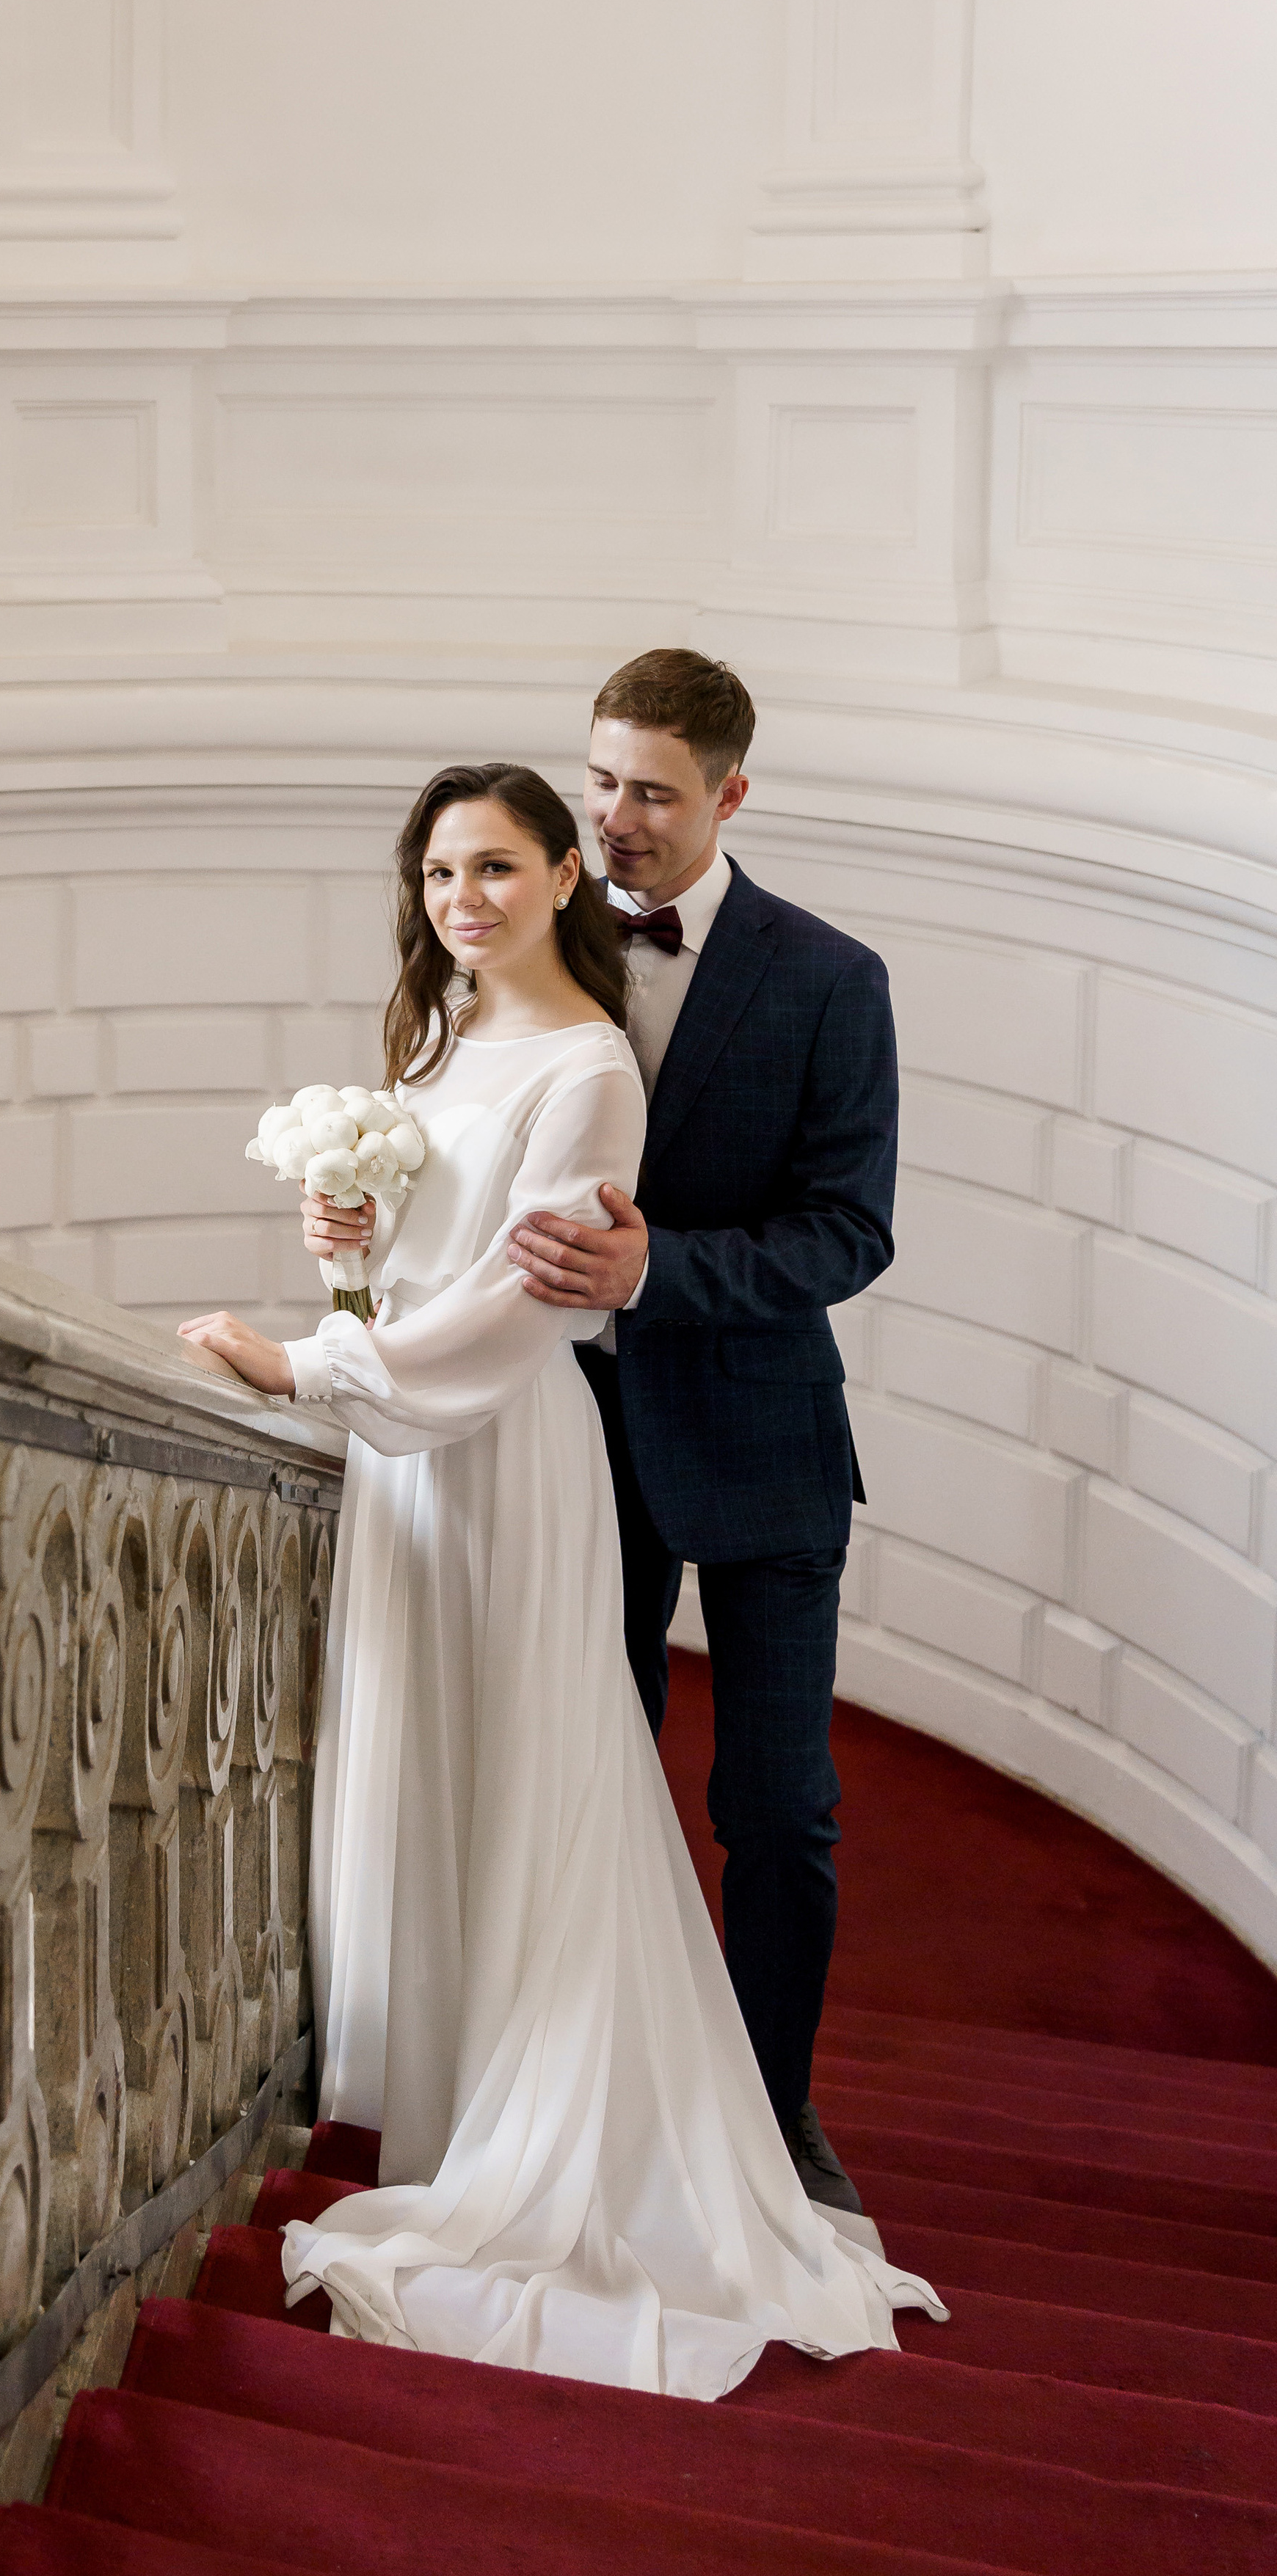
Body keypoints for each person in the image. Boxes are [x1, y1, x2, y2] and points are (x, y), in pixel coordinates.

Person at [178, 761, 939, 2398]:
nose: (466, 896)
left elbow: (543, 1306)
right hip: (429, 1462)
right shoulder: (440, 1040)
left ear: (561, 880)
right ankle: (453, 2078)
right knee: (461, 1758)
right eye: (442, 870)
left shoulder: (604, 1064)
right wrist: (348, 1256)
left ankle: (725, 2113)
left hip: (547, 1456)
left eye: (500, 866)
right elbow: (421, 1280)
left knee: (679, 1790)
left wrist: (309, 1367)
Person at [499, 651, 896, 2219]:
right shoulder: (534, 939)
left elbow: (847, 1231)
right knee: (582, 1769)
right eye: (597, 781)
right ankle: (583, 2082)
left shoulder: (826, 978)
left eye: (651, 791)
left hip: (762, 1446)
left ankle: (773, 2110)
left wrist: (660, 1267)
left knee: (776, 1812)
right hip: (569, 1439)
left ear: (730, 794)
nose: (612, 819)